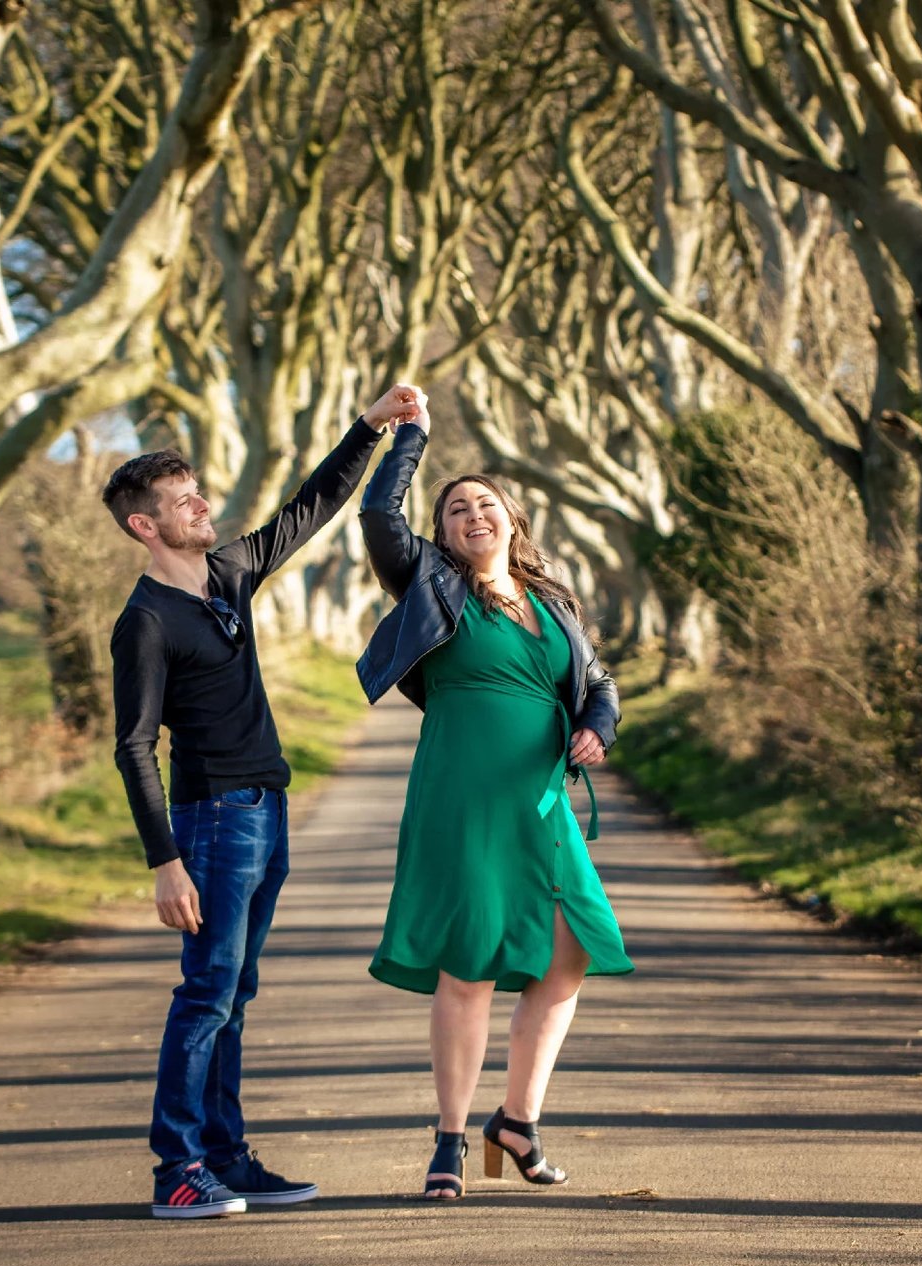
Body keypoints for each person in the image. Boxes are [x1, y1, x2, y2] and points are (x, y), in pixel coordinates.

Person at [106, 385, 421, 1219]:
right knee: (206, 993)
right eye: (181, 501)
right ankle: (176, 1169)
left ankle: (226, 1157)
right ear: (146, 525)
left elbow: (307, 509)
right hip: (210, 822)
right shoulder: (144, 622)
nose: (201, 505)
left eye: (196, 490)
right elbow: (133, 745)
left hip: (266, 809)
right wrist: (164, 861)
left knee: (236, 994)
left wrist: (371, 427)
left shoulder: (225, 574)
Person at [354, 396, 634, 1201]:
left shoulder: (554, 603)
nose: (472, 513)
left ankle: (515, 1122)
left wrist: (596, 727)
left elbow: (600, 684)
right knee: (469, 967)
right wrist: (411, 435)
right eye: (454, 509)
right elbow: (379, 513)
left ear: (512, 521)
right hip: (462, 797)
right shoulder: (434, 587)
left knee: (572, 952)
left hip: (541, 800)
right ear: (441, 536)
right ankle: (448, 1141)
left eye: (485, 503)